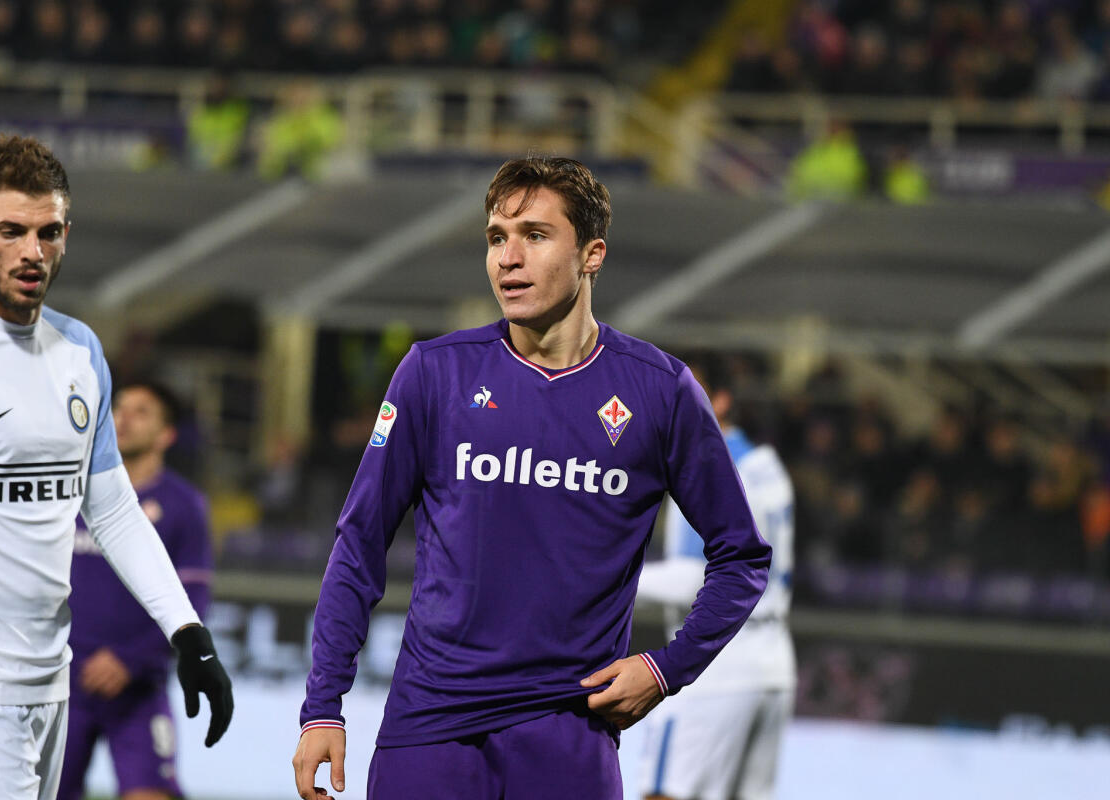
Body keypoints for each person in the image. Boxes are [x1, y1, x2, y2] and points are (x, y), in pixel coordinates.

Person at [292, 155, 772, 800]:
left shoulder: (659, 391)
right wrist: (323, 704)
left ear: (591, 253)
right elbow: (359, 543)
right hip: (432, 724)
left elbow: (741, 555)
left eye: (535, 236)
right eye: (497, 238)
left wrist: (665, 669)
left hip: (570, 727)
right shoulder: (435, 374)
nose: (507, 259)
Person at [0, 134, 232, 800]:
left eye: (48, 231)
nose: (33, 251)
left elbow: (112, 509)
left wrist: (187, 631)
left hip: (51, 687)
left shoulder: (80, 352)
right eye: (12, 231)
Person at [635, 359, 796, 800]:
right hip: (772, 666)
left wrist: (603, 582)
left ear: (720, 400)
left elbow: (692, 581)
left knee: (664, 793)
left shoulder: (709, 463)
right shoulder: (767, 465)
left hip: (716, 666)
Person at [59, 381, 215, 800]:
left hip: (137, 687)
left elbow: (193, 602)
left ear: (167, 435)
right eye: (118, 408)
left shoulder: (183, 506)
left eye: (141, 411)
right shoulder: (68, 491)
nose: (123, 419)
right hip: (60, 683)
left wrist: (130, 659)